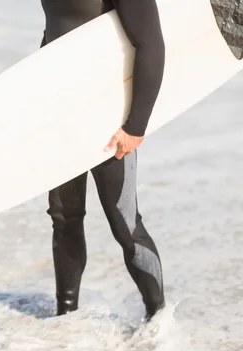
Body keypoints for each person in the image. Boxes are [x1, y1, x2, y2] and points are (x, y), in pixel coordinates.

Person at [41, 0, 166, 321]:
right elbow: (55, 33)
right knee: (64, 218)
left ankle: (157, 319)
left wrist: (135, 126)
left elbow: (151, 43)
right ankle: (65, 318)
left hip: (106, 118)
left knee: (125, 225)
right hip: (59, 115)